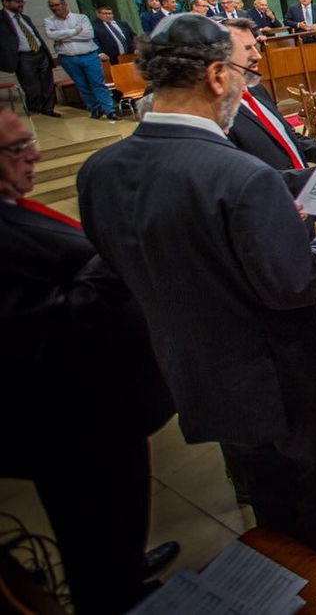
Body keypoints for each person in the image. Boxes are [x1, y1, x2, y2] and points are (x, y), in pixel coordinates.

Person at [76, 16, 316, 606]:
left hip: (197, 373)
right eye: (244, 70)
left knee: (266, 491)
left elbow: (116, 270)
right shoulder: (240, 175)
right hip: (288, 380)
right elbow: (294, 285)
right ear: (218, 76)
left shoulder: (100, 170)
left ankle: (275, 583)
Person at [0, 109, 179, 614]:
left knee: (120, 509)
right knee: (92, 520)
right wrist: (114, 257)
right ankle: (114, 594)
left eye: (29, 141)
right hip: (67, 420)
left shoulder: (13, 209)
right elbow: (49, 321)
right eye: (17, 149)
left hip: (100, 406)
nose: (33, 154)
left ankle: (125, 566)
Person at [222, 19, 316, 191]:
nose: (258, 55)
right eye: (246, 48)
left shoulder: (257, 89)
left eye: (255, 46)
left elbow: (290, 138)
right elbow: (244, 177)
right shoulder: (220, 112)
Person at [44, 0, 117, 121]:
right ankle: (95, 109)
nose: (54, 8)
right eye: (52, 6)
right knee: (82, 85)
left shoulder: (81, 17)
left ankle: (110, 110)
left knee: (98, 83)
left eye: (57, 5)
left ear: (64, 4)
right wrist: (74, 31)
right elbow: (51, 35)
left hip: (89, 56)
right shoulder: (49, 21)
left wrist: (62, 36)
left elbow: (88, 34)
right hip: (68, 58)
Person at [0, 0, 59, 115]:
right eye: (17, 2)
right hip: (22, 57)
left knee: (47, 84)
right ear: (6, 3)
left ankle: (48, 109)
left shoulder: (25, 17)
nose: (21, 4)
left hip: (40, 53)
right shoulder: (1, 19)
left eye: (22, 1)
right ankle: (35, 109)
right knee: (32, 88)